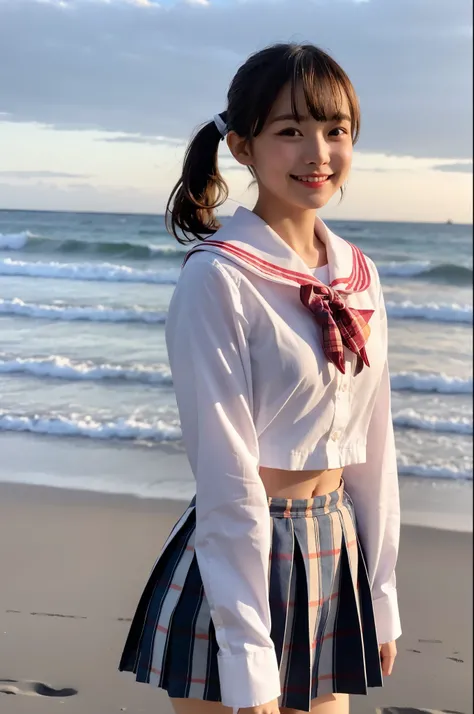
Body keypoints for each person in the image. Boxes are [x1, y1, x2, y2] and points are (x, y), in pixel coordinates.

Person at [119, 42, 401, 714]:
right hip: (239, 557)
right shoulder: (217, 278)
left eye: (336, 131)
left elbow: (375, 447)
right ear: (243, 148)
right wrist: (247, 658)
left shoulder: (357, 274)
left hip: (334, 548)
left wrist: (382, 594)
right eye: (290, 132)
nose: (318, 153)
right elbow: (225, 472)